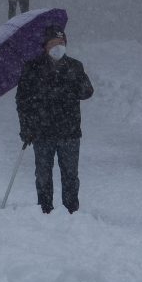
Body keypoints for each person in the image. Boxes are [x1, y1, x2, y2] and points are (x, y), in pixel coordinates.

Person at [16, 24, 94, 214]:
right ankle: (44, 210)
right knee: (43, 174)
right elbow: (22, 100)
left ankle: (71, 211)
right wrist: (26, 127)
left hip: (69, 131)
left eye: (61, 42)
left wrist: (72, 81)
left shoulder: (74, 66)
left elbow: (87, 92)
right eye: (53, 43)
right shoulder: (33, 67)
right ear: (45, 46)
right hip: (41, 131)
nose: (58, 46)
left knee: (70, 175)